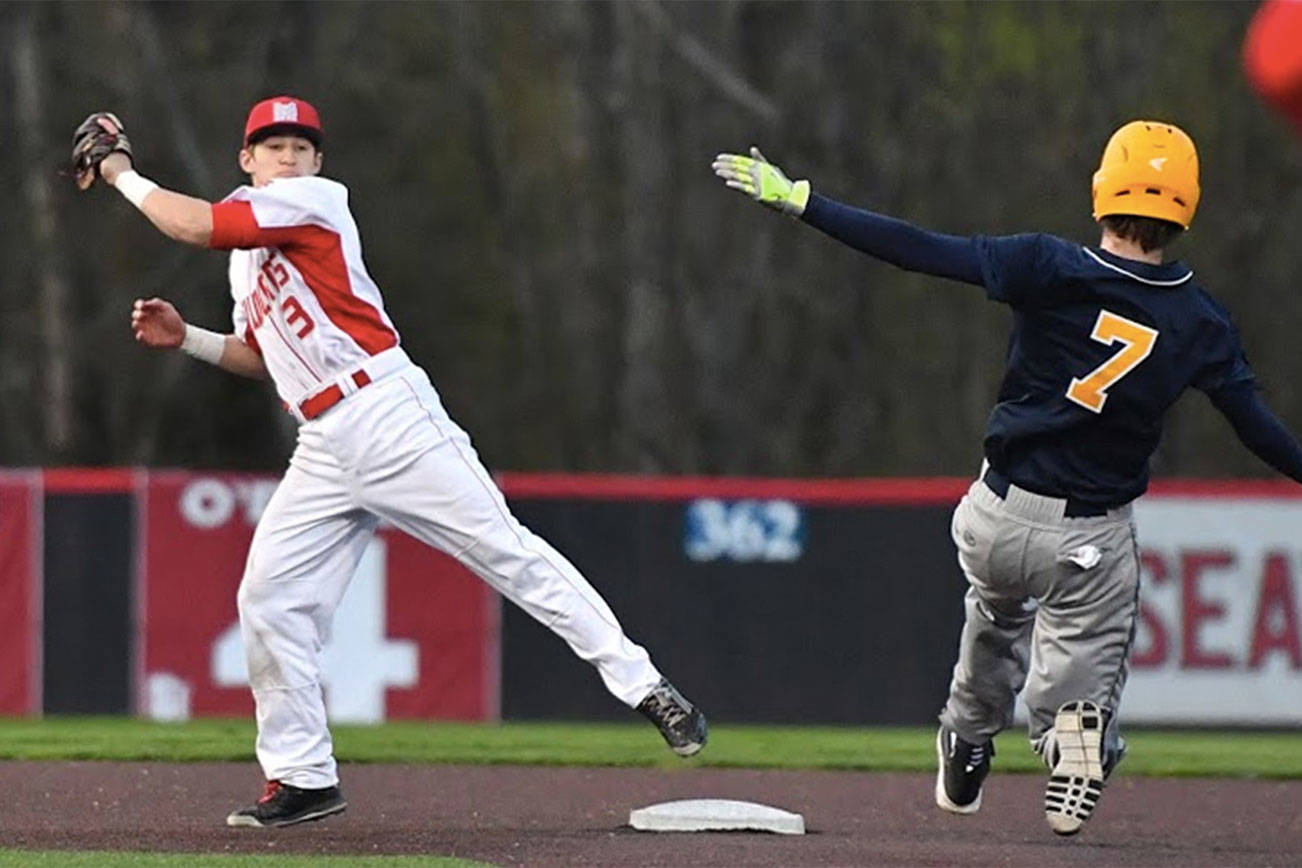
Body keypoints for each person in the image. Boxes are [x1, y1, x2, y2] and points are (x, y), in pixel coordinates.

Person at [74, 96, 707, 828]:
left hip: (387, 414)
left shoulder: (311, 202)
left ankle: (646, 685)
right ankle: (303, 777)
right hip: (321, 438)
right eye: (272, 145)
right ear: (246, 159)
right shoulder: (248, 258)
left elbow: (193, 224)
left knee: (507, 553)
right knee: (269, 598)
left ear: (317, 163)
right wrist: (189, 339)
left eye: (301, 146)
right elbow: (265, 359)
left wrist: (119, 170)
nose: (288, 156)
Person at [713, 122, 1302, 836]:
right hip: (1088, 536)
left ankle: (966, 732)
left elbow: (920, 251)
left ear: (1100, 191)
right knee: (1078, 674)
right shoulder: (1201, 321)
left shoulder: (1045, 265)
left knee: (994, 617)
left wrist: (805, 200)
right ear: (1188, 206)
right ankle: (1068, 740)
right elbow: (1257, 428)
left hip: (995, 515)